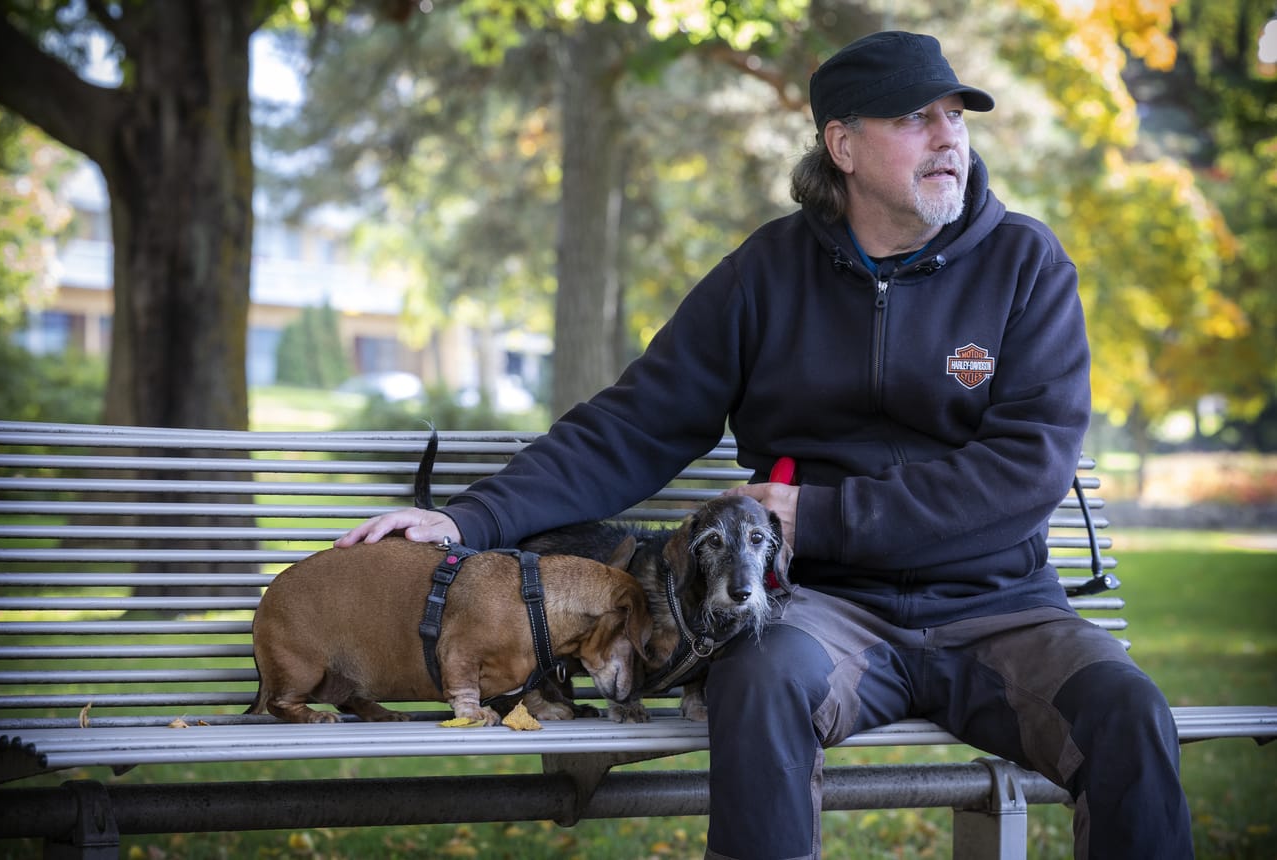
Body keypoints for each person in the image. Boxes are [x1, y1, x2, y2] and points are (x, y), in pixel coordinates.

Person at [336, 30, 1193, 860]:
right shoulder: (765, 275)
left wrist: (816, 517)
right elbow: (634, 424)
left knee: (1127, 712)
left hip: (1001, 609)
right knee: (755, 681)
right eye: (914, 120)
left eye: (955, 117)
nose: (947, 139)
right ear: (843, 146)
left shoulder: (1025, 265)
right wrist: (467, 519)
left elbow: (1026, 470)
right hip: (824, 613)